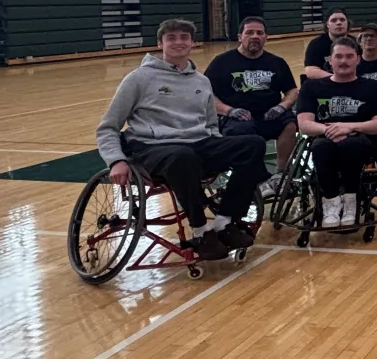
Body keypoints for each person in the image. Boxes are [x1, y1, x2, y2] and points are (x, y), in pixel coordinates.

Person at [95, 18, 268, 261]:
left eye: (184, 38)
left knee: (253, 144)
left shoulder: (201, 81)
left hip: (198, 145)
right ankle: (200, 230)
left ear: (193, 43)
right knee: (182, 156)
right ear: (160, 44)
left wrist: (218, 149)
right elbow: (108, 127)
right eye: (171, 38)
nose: (178, 43)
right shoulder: (138, 78)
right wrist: (115, 160)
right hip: (154, 148)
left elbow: (210, 125)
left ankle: (224, 221)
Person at [296, 37, 377, 228]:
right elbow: (304, 124)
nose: (344, 61)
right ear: (330, 61)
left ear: (358, 59)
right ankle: (330, 202)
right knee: (321, 147)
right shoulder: (312, 87)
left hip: (361, 141)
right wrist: (330, 129)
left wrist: (350, 127)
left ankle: (351, 200)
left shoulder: (374, 88)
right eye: (338, 56)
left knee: (351, 144)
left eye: (349, 56)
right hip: (326, 138)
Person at [204, 16, 298, 192]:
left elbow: (292, 91)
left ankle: (280, 173)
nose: (255, 36)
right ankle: (258, 177)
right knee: (243, 134)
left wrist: (282, 106)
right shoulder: (221, 62)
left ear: (265, 37)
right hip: (238, 118)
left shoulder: (277, 62)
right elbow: (207, 94)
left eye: (259, 33)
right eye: (249, 32)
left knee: (290, 124)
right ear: (240, 37)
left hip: (269, 114)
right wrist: (228, 110)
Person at [303, 8, 349, 79]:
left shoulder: (355, 43)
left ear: (347, 23)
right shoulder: (316, 44)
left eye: (342, 20)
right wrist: (336, 78)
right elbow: (310, 71)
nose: (339, 23)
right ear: (327, 24)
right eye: (334, 20)